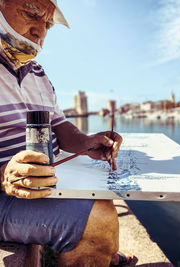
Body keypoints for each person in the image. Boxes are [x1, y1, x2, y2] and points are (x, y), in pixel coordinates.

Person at [0, 0, 134, 266]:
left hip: (44, 182)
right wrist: (5, 173)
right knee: (99, 221)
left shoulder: (38, 73)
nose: (40, 31)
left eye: (48, 24)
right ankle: (99, 248)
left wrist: (86, 141)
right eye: (31, 13)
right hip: (6, 193)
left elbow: (59, 125)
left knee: (103, 193)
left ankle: (102, 251)